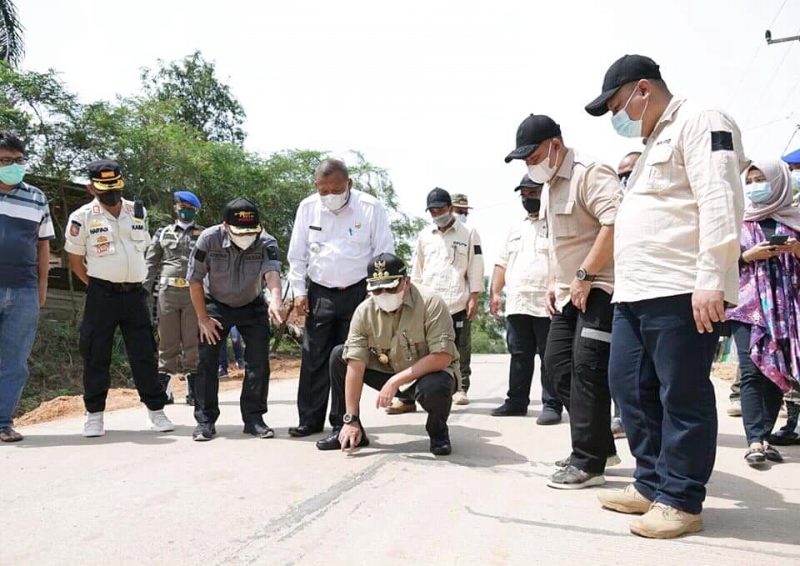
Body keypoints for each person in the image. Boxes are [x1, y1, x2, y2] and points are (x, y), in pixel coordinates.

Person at [585, 54, 746, 538]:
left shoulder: (701, 120)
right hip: (635, 293)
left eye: (617, 106)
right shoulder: (654, 139)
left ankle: (680, 499)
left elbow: (720, 198)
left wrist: (712, 277)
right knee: (629, 387)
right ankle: (650, 483)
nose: (620, 117)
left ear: (642, 90)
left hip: (682, 288)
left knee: (683, 394)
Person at [504, 114, 620, 490]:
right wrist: (557, 282)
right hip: (570, 293)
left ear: (555, 145)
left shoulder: (590, 173)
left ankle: (588, 461)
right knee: (556, 367)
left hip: (601, 288)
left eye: (532, 156)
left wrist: (585, 276)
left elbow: (615, 224)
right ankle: (600, 444)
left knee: (587, 370)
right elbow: (558, 242)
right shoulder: (551, 185)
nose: (529, 166)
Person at [65, 159, 174, 437]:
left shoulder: (137, 211)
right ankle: (94, 415)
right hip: (102, 294)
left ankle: (156, 411)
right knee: (96, 354)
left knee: (144, 354)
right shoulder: (83, 217)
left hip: (135, 294)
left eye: (115, 185)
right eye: (104, 187)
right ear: (91, 187)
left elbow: (144, 249)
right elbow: (76, 260)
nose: (111, 191)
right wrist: (96, 284)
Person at [286, 159, 394, 437]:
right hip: (320, 291)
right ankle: (309, 420)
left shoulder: (370, 208)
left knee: (347, 359)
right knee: (314, 358)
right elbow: (297, 255)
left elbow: (383, 253)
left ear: (350, 184)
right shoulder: (307, 208)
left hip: (359, 293)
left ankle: (343, 421)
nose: (330, 197)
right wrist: (299, 292)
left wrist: (378, 297)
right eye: (324, 191)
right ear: (316, 186)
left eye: (336, 190)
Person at [315, 253, 458, 455]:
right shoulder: (364, 312)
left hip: (422, 375)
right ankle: (346, 429)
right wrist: (351, 418)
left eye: (391, 287)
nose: (384, 294)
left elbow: (443, 356)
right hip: (385, 370)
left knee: (437, 385)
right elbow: (355, 362)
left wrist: (395, 382)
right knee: (340, 355)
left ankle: (438, 433)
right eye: (377, 288)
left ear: (406, 282)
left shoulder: (430, 303)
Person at [186, 197, 285, 441]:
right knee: (207, 360)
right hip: (215, 305)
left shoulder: (266, 241)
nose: (246, 236)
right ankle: (205, 421)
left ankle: (253, 419)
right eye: (240, 232)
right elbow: (195, 279)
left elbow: (272, 272)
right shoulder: (208, 239)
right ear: (225, 226)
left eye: (251, 232)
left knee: (258, 361)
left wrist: (275, 299)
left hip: (252, 305)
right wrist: (203, 318)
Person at [726, 159, 800, 463]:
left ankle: (765, 436)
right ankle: (754, 440)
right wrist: (748, 255)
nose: (756, 186)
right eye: (752, 180)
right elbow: (720, 263)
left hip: (786, 308)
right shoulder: (737, 220)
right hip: (748, 308)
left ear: (779, 181)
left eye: (762, 179)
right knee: (751, 369)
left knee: (776, 372)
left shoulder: (794, 220)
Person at [389, 188, 483, 411]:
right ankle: (407, 398)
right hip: (427, 304)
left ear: (450, 208)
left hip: (456, 301)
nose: (437, 214)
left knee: (459, 348)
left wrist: (474, 297)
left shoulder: (469, 234)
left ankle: (460, 388)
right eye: (432, 211)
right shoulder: (424, 236)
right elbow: (418, 269)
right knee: (417, 351)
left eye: (440, 209)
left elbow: (475, 266)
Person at [489, 175, 562, 424]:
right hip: (518, 302)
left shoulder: (555, 223)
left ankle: (551, 405)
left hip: (546, 303)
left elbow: (559, 257)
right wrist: (496, 293)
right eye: (524, 194)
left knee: (548, 356)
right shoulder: (515, 228)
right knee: (519, 354)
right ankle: (516, 402)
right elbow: (501, 262)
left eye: (533, 193)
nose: (528, 198)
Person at [0, 132, 54, 443]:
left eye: (18, 161)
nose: (13, 166)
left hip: (23, 290)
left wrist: (42, 285)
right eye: (6, 161)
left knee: (15, 362)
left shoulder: (36, 197)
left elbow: (43, 246)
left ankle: (3, 422)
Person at [144, 190, 204, 405]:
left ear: (195, 211)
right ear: (175, 208)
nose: (185, 211)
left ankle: (193, 391)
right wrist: (144, 289)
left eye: (189, 209)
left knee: (192, 341)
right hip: (167, 293)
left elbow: (211, 265)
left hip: (193, 294)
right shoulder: (163, 232)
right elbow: (151, 262)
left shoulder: (204, 234)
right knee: (167, 341)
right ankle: (165, 390)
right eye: (181, 207)